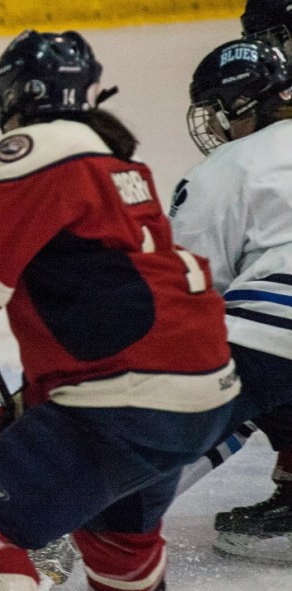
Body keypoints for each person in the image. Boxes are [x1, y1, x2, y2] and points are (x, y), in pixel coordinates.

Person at [0, 30, 240, 590]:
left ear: (17, 95)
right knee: (119, 542)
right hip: (206, 393)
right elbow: (101, 301)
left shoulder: (39, 154)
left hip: (125, 398)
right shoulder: (120, 168)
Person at [170, 14, 292, 560]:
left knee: (206, 389)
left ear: (243, 107)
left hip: (281, 322)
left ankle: (90, 517)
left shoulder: (229, 164)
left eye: (220, 111)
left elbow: (187, 289)